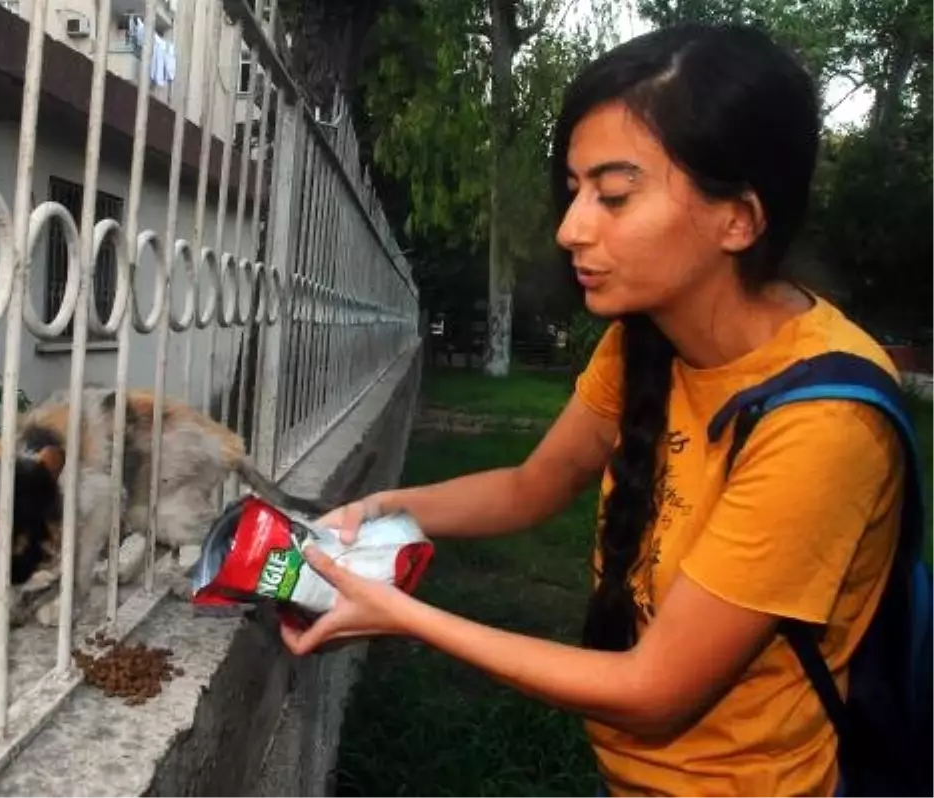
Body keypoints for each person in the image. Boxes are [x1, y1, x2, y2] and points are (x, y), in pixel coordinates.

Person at [279, 21, 906, 797]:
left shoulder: (825, 425)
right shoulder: (645, 336)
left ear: (738, 218)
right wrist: (379, 506)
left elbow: (655, 688)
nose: (571, 229)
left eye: (613, 195)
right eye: (575, 191)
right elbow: (532, 486)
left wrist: (406, 618)